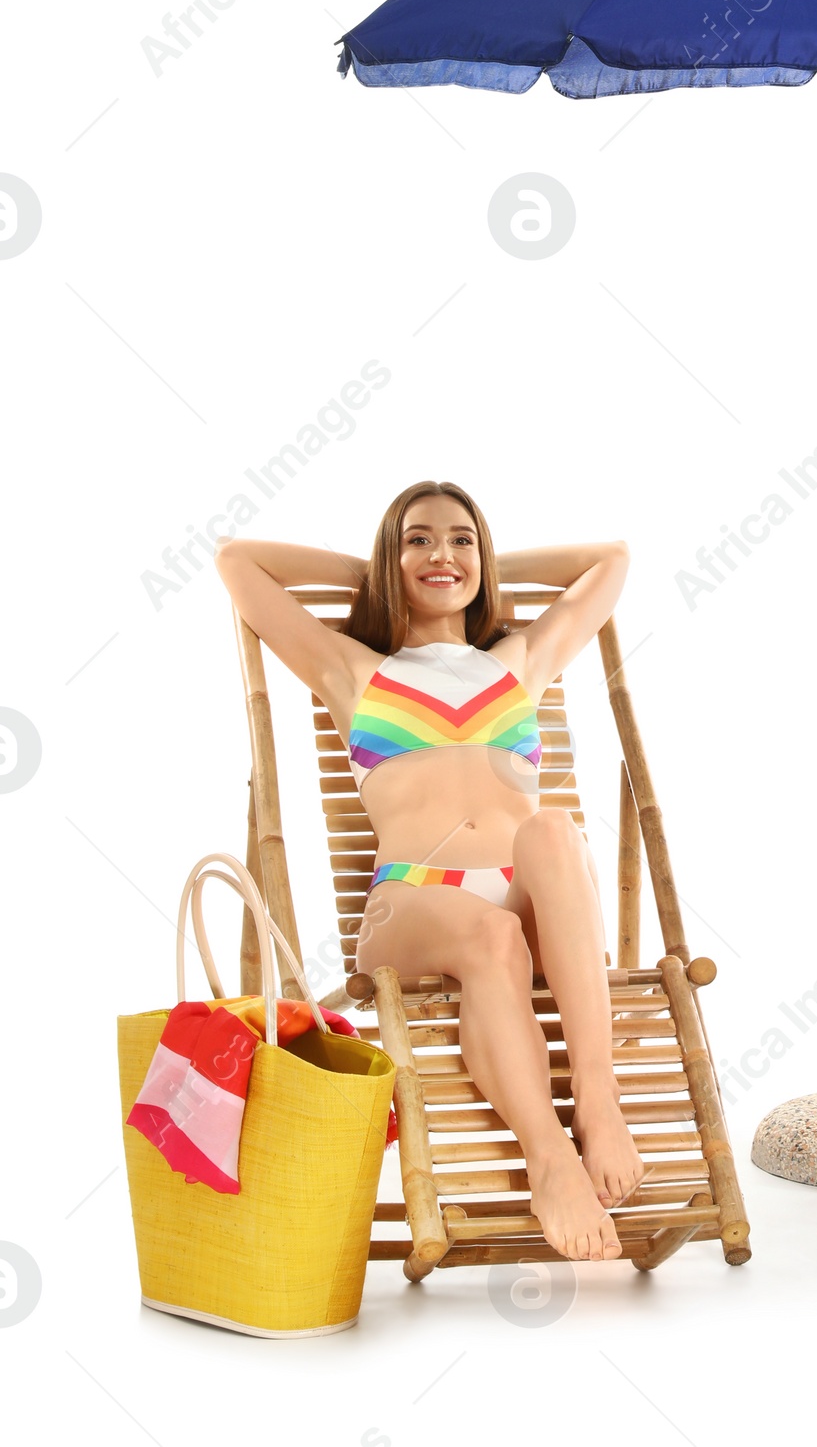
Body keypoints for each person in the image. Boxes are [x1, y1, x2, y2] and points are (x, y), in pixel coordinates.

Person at [216, 481, 638, 1262]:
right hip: (411, 902)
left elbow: (610, 561)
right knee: (490, 937)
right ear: (391, 556)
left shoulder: (518, 661)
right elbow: (239, 561)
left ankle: (599, 1100)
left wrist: (469, 566)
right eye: (418, 539)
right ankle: (550, 1159)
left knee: (548, 830)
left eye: (461, 540)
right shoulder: (351, 670)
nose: (441, 553)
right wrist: (381, 571)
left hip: (525, 891)